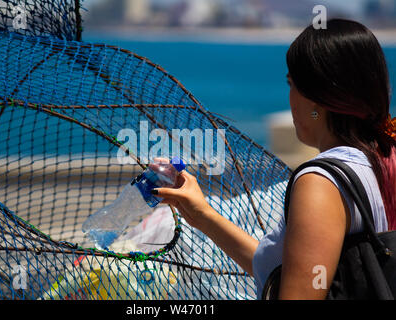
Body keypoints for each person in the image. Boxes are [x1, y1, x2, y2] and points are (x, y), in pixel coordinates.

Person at [151, 19, 396, 300]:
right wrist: (203, 215)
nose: (289, 97)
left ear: (319, 99)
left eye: (292, 84)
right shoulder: (384, 157)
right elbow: (284, 271)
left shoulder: (321, 183)